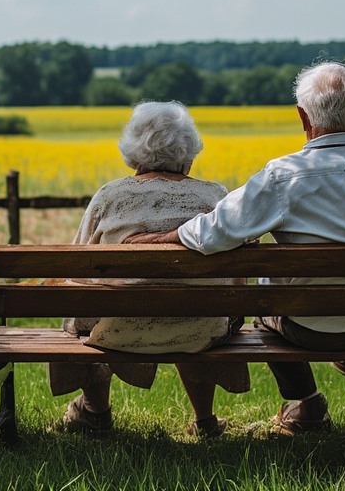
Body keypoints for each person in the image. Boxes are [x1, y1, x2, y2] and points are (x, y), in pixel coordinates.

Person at [125, 62, 345, 435]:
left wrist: (154, 240)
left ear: (302, 116)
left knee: (265, 308)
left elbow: (213, 233)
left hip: (309, 327)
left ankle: (307, 403)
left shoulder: (283, 175)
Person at [49, 101, 249, 438]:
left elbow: (79, 267)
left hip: (117, 331)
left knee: (93, 309)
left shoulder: (110, 196)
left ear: (133, 151)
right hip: (202, 331)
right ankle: (204, 421)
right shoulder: (214, 195)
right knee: (191, 307)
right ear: (189, 151)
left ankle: (95, 412)